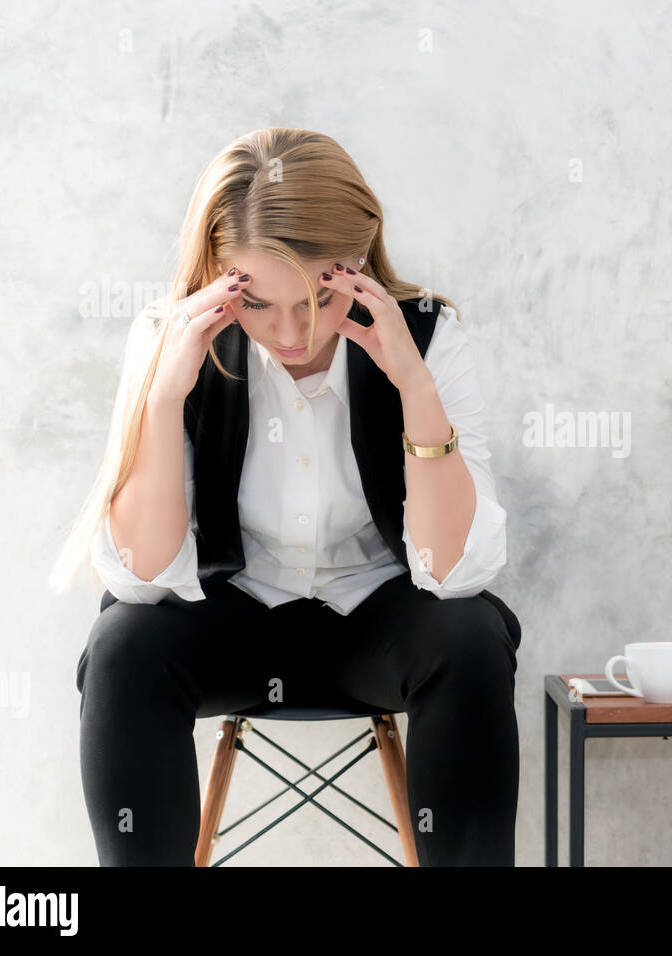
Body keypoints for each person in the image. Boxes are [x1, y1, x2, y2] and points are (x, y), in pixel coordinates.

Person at [49, 127, 522, 866]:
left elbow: (457, 572)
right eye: (260, 304)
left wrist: (415, 387)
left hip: (379, 625)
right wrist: (166, 395)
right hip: (232, 622)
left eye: (315, 300)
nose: (290, 332)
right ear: (215, 274)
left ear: (357, 263)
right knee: (121, 648)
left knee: (471, 640)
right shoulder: (169, 339)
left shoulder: (427, 336)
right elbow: (140, 578)